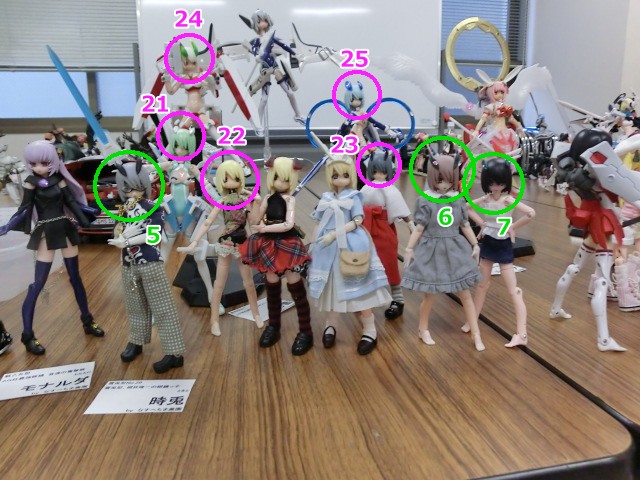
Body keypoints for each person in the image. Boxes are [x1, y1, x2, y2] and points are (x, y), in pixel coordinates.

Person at [0, 140, 104, 355]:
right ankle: (27, 335)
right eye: (34, 163)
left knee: (75, 278)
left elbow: (71, 203)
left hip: (64, 229)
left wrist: (87, 215)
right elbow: (24, 208)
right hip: (46, 232)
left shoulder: (59, 180)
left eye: (44, 163)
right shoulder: (31, 182)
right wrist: (8, 226)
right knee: (38, 284)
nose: (39, 168)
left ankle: (87, 320)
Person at [307, 153, 391, 355]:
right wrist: (313, 243)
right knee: (331, 288)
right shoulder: (326, 198)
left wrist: (335, 233)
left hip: (350, 243)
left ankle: (369, 329)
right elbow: (319, 222)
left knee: (359, 288)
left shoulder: (354, 196)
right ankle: (331, 324)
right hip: (327, 248)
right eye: (335, 175)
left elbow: (357, 221)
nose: (340, 180)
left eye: (345, 175)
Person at [401, 153, 485, 351]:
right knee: (430, 295)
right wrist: (409, 248)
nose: (445, 185)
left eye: (449, 179)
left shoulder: (457, 199)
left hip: (455, 249)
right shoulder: (426, 200)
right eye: (440, 180)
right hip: (432, 250)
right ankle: (423, 329)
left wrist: (475, 244)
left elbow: (464, 224)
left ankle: (476, 333)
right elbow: (419, 227)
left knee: (465, 293)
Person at [109, 157, 185, 373]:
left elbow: (153, 237)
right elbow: (118, 229)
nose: (132, 192)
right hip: (128, 262)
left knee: (162, 306)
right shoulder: (123, 209)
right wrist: (119, 236)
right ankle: (136, 340)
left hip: (150, 261)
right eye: (127, 188)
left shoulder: (154, 208)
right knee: (134, 305)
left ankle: (174, 352)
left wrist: (127, 241)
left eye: (137, 187)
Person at [239, 157, 313, 355]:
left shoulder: (290, 199)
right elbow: (256, 219)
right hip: (268, 244)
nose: (281, 183)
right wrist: (253, 203)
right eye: (278, 177)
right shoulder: (267, 198)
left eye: (286, 179)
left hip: (287, 244)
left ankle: (305, 331)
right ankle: (273, 326)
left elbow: (288, 224)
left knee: (295, 286)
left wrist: (265, 228)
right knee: (271, 286)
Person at [183, 160, 262, 336]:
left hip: (243, 243)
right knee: (219, 284)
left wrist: (256, 202)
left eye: (235, 178)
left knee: (249, 282)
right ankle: (214, 320)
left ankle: (256, 314)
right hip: (226, 243)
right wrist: (195, 241)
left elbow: (254, 222)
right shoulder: (223, 201)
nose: (231, 182)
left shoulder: (244, 201)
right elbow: (207, 222)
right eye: (226, 179)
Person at [463, 159, 535, 347]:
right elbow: (466, 207)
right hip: (488, 243)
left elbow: (530, 213)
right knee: (481, 286)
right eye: (491, 183)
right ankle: (472, 321)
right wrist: (482, 224)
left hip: (503, 245)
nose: (495, 187)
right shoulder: (486, 199)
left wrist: (513, 227)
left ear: (505, 183)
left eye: (500, 183)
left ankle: (522, 334)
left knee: (514, 290)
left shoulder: (507, 199)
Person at [359, 148, 413, 319]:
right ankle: (364, 298)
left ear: (388, 172)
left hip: (383, 228)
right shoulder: (366, 188)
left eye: (382, 172)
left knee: (389, 262)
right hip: (366, 227)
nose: (378, 175)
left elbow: (400, 207)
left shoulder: (390, 189)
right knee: (365, 262)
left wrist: (410, 223)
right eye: (375, 171)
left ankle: (398, 299)